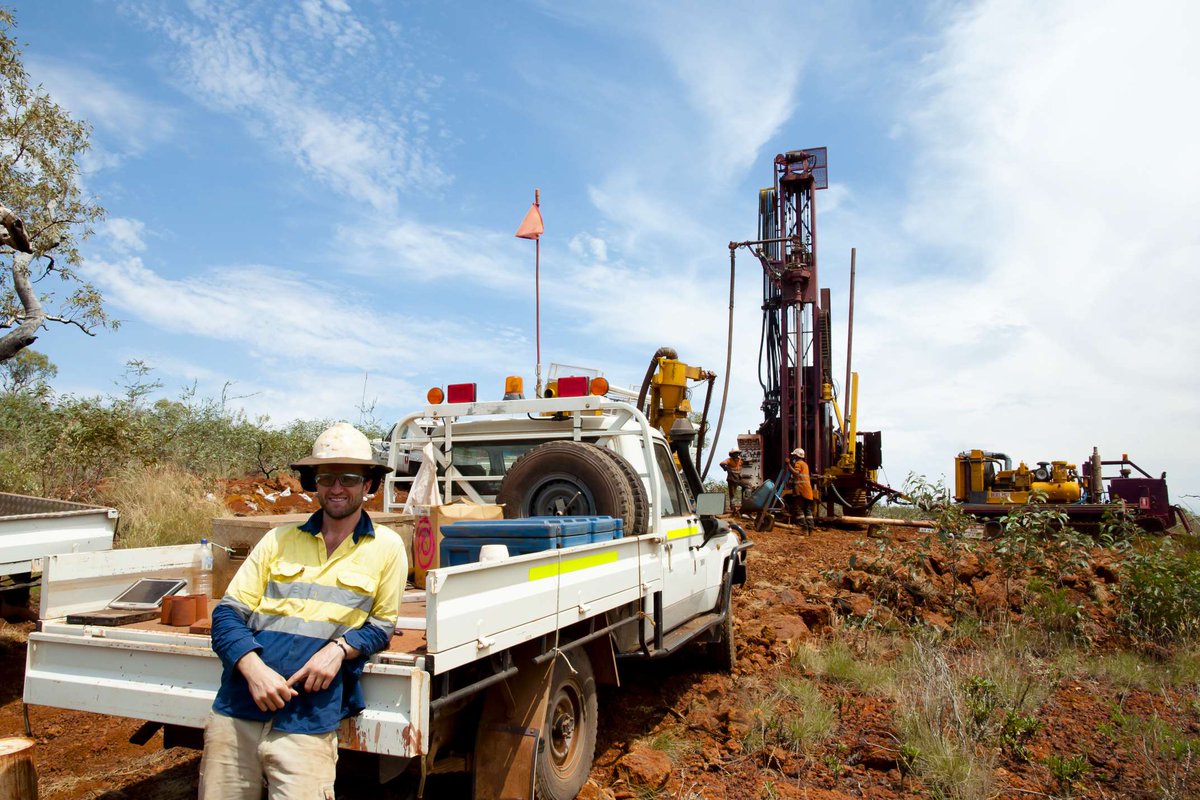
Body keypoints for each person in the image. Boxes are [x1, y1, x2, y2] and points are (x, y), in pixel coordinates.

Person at [200, 422, 407, 800]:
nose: (337, 488)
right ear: (314, 483)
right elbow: (227, 615)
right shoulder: (277, 540)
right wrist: (253, 669)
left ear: (368, 484)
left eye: (349, 478)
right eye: (326, 478)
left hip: (309, 722)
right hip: (237, 713)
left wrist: (339, 649)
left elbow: (381, 625)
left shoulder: (387, 547)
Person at [787, 447, 815, 533]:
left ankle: (804, 528)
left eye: (794, 456)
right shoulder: (805, 464)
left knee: (798, 509)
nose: (793, 457)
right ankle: (810, 528)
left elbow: (796, 473)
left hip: (801, 490)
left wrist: (788, 464)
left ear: (796, 456)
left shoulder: (798, 464)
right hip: (808, 491)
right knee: (807, 510)